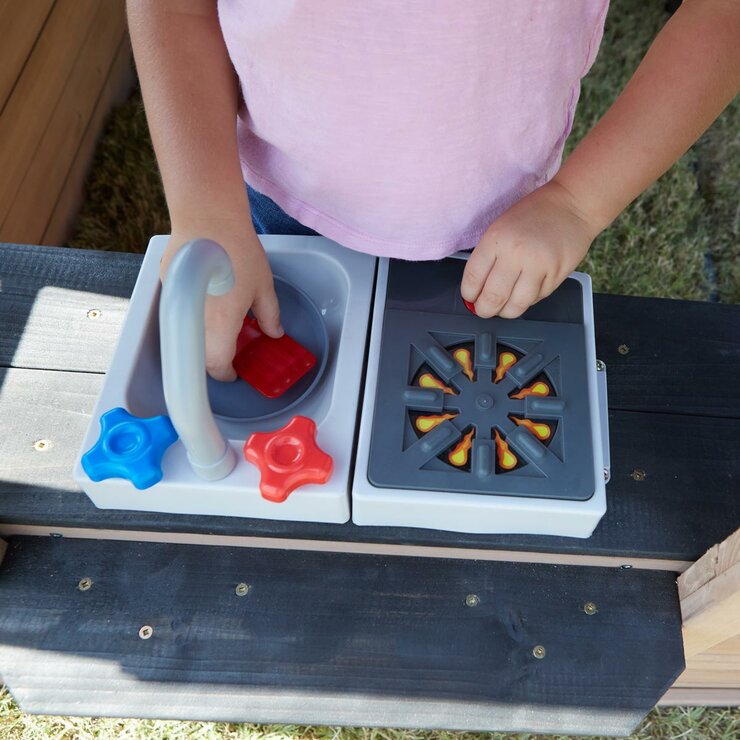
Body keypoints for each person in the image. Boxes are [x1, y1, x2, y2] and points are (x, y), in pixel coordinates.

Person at [128, 0, 739, 381]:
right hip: (276, 195)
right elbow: (177, 9)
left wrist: (577, 204)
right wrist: (208, 213)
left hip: (500, 221)